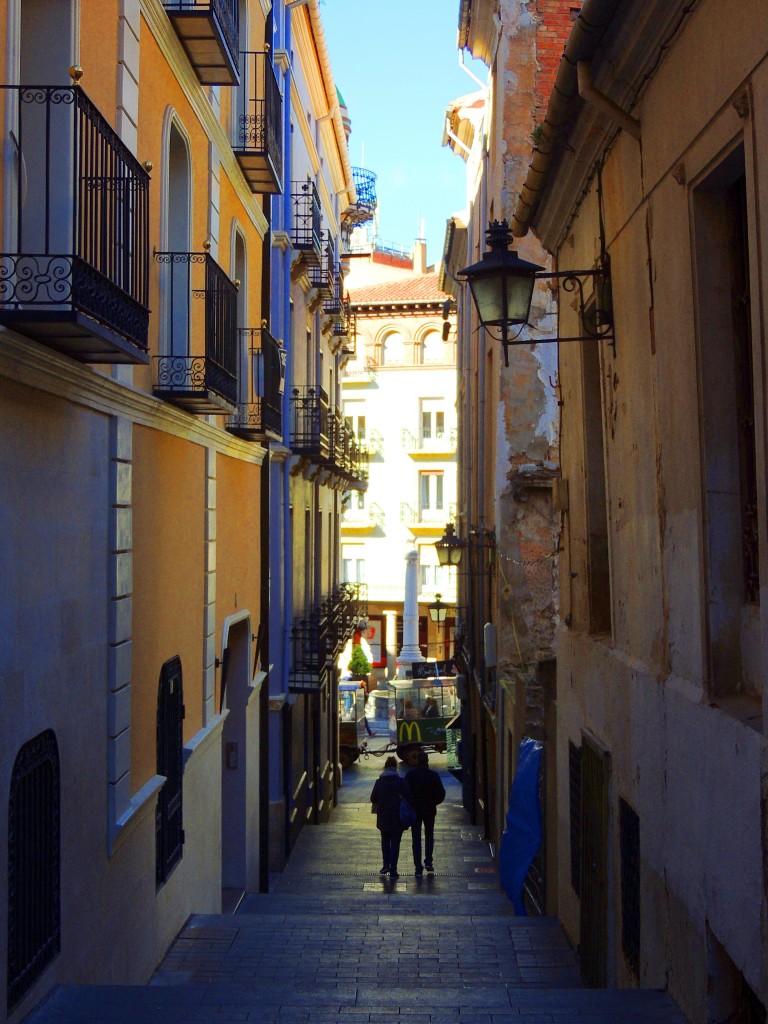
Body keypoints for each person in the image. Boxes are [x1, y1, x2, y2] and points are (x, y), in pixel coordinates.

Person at [370, 755, 413, 879]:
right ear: (395, 767)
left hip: (383, 817)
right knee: (395, 844)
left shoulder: (379, 782)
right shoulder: (401, 782)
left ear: (385, 767)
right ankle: (393, 870)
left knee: (385, 841)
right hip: (397, 817)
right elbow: (409, 797)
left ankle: (385, 865)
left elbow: (373, 798)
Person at [405, 751, 446, 876]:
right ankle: (428, 862)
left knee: (416, 838)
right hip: (429, 810)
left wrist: (412, 803)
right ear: (427, 761)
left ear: (417, 760)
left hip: (415, 811)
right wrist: (434, 802)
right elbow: (441, 793)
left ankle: (418, 866)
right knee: (429, 835)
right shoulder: (433, 775)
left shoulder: (411, 775)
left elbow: (405, 792)